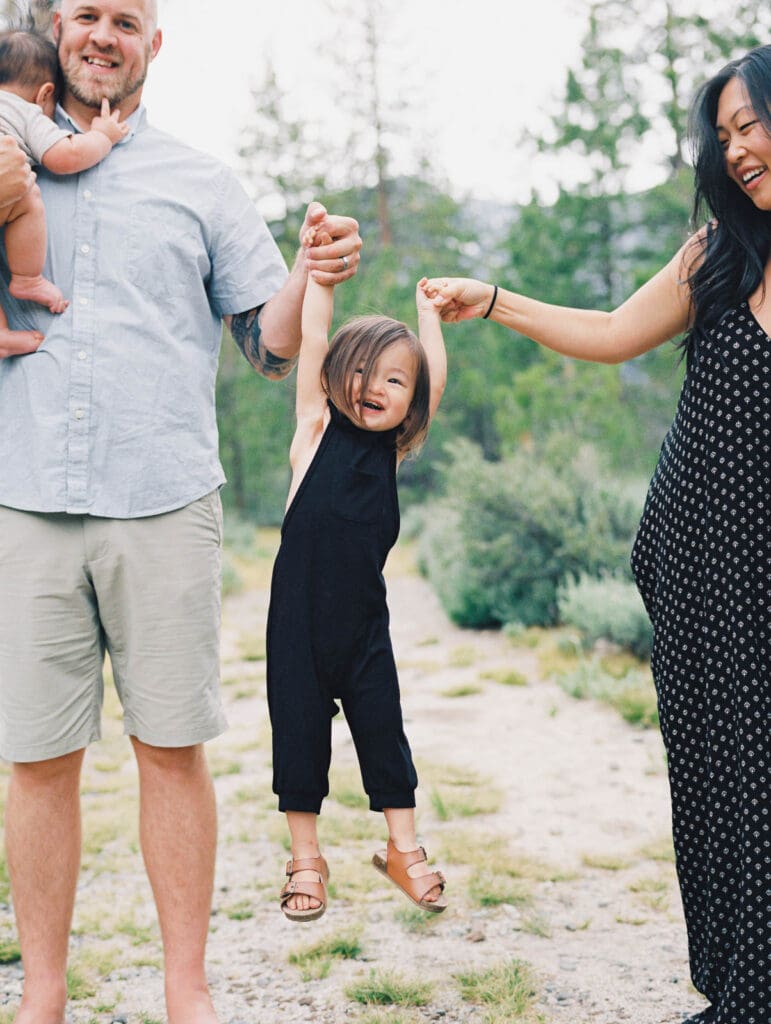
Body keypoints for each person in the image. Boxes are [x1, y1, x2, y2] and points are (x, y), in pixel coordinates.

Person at [0, 2, 362, 1023]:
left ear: (153, 43)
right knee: (35, 762)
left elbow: (269, 341)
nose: (102, 33)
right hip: (23, 494)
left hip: (162, 499)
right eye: (84, 14)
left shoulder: (202, 181)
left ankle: (188, 990)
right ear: (53, 31)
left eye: (126, 18)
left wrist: (306, 273)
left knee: (171, 748)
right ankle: (43, 993)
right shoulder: (4, 155)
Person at [423, 43, 770, 1024]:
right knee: (731, 767)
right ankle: (748, 986)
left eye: (755, 124)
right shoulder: (716, 256)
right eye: (726, 133)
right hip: (701, 552)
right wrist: (491, 299)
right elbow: (615, 331)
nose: (738, 149)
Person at [266, 237, 447, 922]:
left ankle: (402, 850)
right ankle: (305, 859)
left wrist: (428, 316)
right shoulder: (314, 429)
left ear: (412, 401)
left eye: (395, 381)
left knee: (382, 730)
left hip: (363, 626)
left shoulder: (394, 450)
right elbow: (314, 334)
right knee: (299, 738)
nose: (375, 387)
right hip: (298, 626)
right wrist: (318, 273)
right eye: (364, 372)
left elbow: (433, 373)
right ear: (338, 376)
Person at [0, 29, 128, 314]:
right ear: (44, 94)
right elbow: (65, 156)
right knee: (29, 197)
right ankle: (27, 279)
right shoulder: (25, 110)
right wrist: (102, 136)